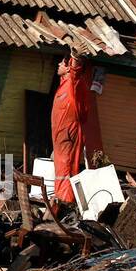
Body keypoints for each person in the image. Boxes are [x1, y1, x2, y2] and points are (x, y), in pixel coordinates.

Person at [50, 53, 105, 203]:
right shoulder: (63, 83)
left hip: (68, 132)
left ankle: (65, 199)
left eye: (61, 63)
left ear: (68, 68)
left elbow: (76, 70)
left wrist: (75, 57)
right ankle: (60, 195)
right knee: (60, 164)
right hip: (61, 133)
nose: (58, 65)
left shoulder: (71, 82)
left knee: (66, 165)